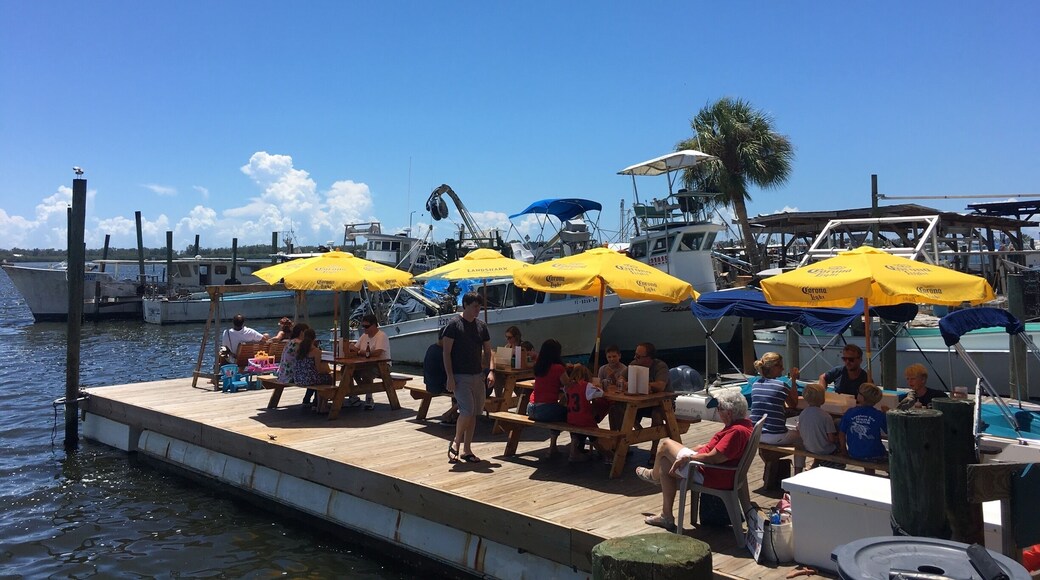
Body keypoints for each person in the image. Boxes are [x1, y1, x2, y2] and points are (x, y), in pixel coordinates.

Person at [635, 389, 754, 531]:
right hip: (712, 469)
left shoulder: (736, 432)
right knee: (665, 463)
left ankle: (653, 476)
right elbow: (720, 451)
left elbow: (714, 458)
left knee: (666, 445)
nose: (718, 412)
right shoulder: (744, 426)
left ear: (728, 413)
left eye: (719, 409)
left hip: (707, 472)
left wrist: (689, 457)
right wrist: (700, 448)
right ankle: (666, 516)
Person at [443, 292, 494, 464]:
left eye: (479, 307)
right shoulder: (454, 325)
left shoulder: (481, 326)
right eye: (474, 306)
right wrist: (449, 376)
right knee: (466, 410)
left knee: (474, 413)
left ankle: (467, 449)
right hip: (460, 375)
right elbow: (446, 352)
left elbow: (488, 350)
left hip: (477, 375)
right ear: (465, 305)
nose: (477, 310)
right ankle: (456, 442)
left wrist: (490, 370)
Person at [749, 352, 806, 473]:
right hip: (774, 435)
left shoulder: (755, 385)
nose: (783, 368)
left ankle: (773, 468)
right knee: (802, 439)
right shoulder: (781, 385)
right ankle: (798, 474)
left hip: (756, 434)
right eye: (780, 366)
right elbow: (793, 404)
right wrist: (794, 380)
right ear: (773, 367)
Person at [528, 339, 573, 457]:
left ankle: (553, 446)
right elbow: (568, 385)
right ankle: (575, 449)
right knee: (573, 415)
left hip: (531, 408)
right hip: (545, 409)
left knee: (558, 412)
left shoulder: (539, 366)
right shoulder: (558, 368)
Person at [563, 364, 610, 462]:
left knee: (576, 432)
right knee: (594, 437)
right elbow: (601, 393)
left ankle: (574, 452)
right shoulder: (586, 385)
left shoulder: (567, 387)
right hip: (585, 419)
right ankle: (607, 455)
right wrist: (597, 386)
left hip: (571, 418)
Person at [839, 383, 888, 474]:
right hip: (875, 455)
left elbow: (842, 433)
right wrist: (888, 413)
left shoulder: (850, 412)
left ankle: (870, 474)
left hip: (854, 453)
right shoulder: (879, 415)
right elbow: (889, 431)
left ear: (862, 398)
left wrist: (843, 449)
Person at [348, 314, 391, 410]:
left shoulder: (381, 336)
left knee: (366, 374)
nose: (364, 329)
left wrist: (359, 352)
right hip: (365, 364)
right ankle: (355, 394)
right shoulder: (364, 336)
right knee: (347, 371)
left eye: (366, 326)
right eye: (363, 326)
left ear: (374, 325)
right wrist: (350, 347)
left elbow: (377, 353)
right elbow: (356, 348)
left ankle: (368, 396)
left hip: (381, 366)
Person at [799, 383, 845, 470]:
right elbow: (831, 439)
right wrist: (838, 438)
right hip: (825, 450)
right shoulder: (825, 416)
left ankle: (817, 463)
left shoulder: (803, 413)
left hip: (809, 447)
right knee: (839, 433)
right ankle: (838, 465)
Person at [423, 328, 458, 424]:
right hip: (438, 387)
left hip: (430, 384)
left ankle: (454, 414)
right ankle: (449, 413)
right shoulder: (442, 353)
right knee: (469, 389)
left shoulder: (432, 348)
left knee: (458, 383)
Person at [293, 327, 334, 408]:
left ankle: (308, 399)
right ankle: (319, 404)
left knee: (313, 377)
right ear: (314, 338)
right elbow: (318, 369)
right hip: (309, 379)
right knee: (328, 378)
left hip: (299, 378)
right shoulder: (316, 351)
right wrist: (327, 371)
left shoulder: (299, 349)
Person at [488, 325, 525, 395]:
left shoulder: (523, 346)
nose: (508, 340)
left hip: (521, 373)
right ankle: (498, 398)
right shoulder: (508, 346)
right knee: (497, 374)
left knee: (506, 378)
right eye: (506, 337)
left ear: (516, 337)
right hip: (509, 372)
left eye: (509, 337)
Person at [276, 322, 309, 397]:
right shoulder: (299, 343)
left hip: (282, 374)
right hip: (291, 377)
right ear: (302, 332)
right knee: (318, 377)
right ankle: (314, 402)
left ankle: (309, 400)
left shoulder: (290, 342)